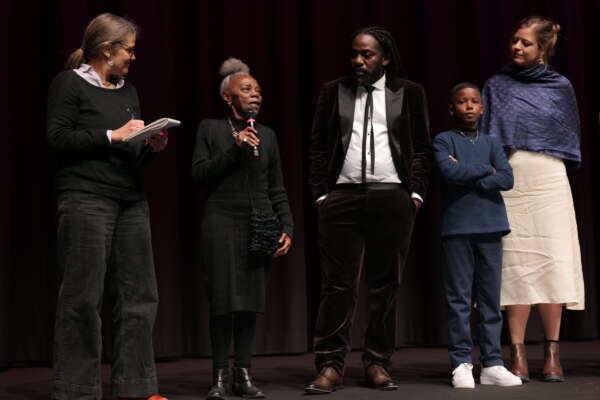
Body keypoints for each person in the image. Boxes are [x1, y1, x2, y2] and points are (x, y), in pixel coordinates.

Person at [47, 13, 168, 400]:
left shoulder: (128, 91)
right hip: (86, 198)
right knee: (82, 297)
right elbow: (58, 137)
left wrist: (150, 147)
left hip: (130, 199)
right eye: (128, 50)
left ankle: (136, 387)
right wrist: (112, 135)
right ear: (106, 49)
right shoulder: (69, 84)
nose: (133, 57)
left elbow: (127, 154)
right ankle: (77, 391)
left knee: (140, 296)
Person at [305, 26, 431, 394]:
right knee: (337, 286)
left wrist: (415, 193)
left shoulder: (409, 92)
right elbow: (317, 147)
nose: (358, 61)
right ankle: (330, 365)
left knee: (385, 285)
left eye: (367, 55)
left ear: (385, 58)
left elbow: (421, 147)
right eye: (354, 54)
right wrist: (321, 196)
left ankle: (377, 362)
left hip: (392, 195)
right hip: (341, 197)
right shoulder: (333, 91)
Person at [481, 15, 584, 383]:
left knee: (553, 262)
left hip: (549, 178)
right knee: (516, 265)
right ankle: (518, 351)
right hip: (511, 179)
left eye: (525, 42)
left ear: (542, 48)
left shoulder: (560, 86)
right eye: (515, 40)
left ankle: (552, 352)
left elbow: (567, 133)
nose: (516, 47)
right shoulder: (497, 84)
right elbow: (488, 135)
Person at [191, 58, 293, 400]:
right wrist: (234, 150)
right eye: (247, 89)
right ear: (227, 96)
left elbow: (276, 187)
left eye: (258, 91)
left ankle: (244, 374)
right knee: (223, 302)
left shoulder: (268, 136)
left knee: (249, 302)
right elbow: (199, 174)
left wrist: (286, 225)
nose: (255, 95)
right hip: (221, 222)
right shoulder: (209, 129)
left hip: (259, 223)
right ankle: (219, 376)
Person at [434, 82, 521, 389]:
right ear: (452, 108)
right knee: (459, 299)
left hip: (490, 226)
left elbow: (507, 178)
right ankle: (461, 362)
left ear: (482, 108)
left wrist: (472, 171)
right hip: (458, 227)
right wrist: (487, 171)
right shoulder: (443, 140)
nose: (469, 106)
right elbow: (449, 172)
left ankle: (492, 363)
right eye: (462, 101)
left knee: (489, 300)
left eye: (474, 101)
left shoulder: (492, 142)